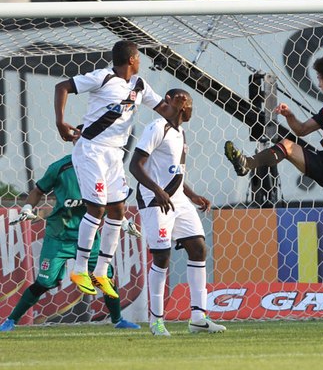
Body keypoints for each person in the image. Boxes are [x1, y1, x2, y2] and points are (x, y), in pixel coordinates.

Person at [224, 48, 323, 319]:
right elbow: (302, 130)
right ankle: (247, 164)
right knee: (288, 145)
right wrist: (289, 115)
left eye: (320, 78)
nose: (318, 83)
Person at [54, 40, 181, 299]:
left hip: (115, 154)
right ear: (132, 59)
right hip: (91, 149)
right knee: (97, 207)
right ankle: (79, 269)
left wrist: (180, 107)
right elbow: (62, 86)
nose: (141, 62)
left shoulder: (140, 85)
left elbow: (164, 109)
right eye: (139, 58)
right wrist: (60, 122)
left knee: (117, 210)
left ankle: (101, 271)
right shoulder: (103, 77)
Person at [0, 143, 140, 332]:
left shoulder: (104, 168)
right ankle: (10, 321)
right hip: (59, 235)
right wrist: (27, 208)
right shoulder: (60, 167)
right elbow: (37, 191)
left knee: (104, 277)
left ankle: (118, 320)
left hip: (89, 237)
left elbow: (112, 203)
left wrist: (122, 221)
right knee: (44, 282)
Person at [129, 88, 226, 336]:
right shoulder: (157, 128)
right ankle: (156, 320)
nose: (190, 105)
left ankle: (198, 317)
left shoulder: (181, 133)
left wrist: (192, 195)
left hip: (179, 199)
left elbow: (175, 171)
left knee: (198, 248)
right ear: (171, 102)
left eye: (191, 102)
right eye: (186, 101)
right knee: (162, 257)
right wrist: (158, 190)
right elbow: (135, 165)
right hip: (155, 200)